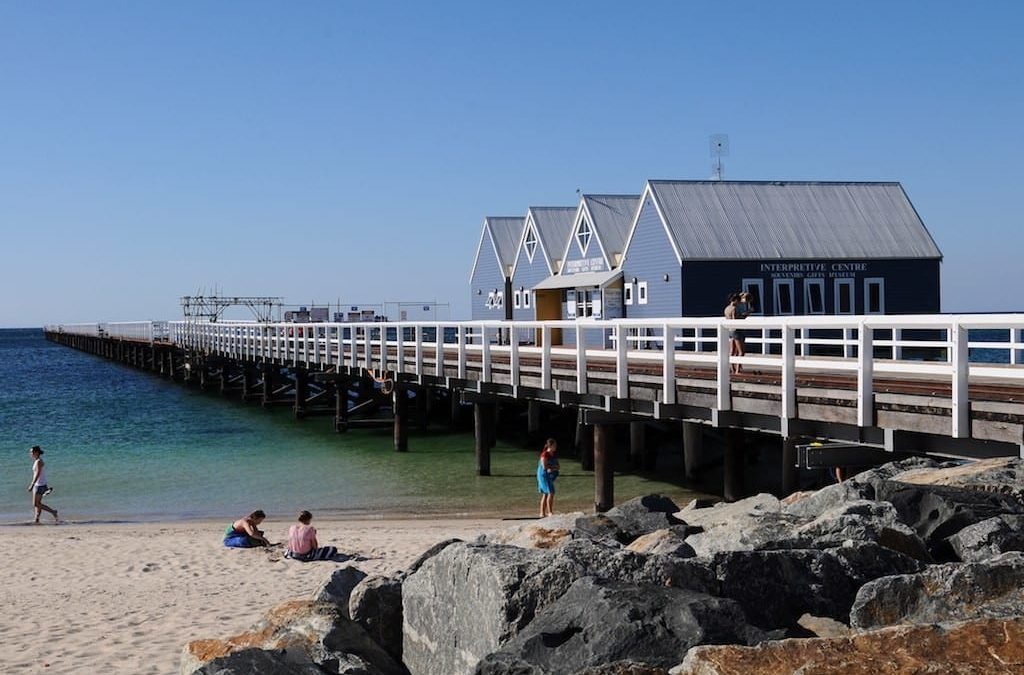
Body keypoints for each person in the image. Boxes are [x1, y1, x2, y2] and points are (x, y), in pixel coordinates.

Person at [28, 446, 58, 524]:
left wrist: (32, 484)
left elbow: (38, 474)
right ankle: (37, 519)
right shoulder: (37, 461)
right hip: (40, 484)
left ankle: (53, 512)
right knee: (38, 504)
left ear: (36, 452)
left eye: (32, 452)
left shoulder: (39, 461)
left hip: (39, 485)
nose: (30, 454)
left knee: (36, 504)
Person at [537, 438, 560, 518]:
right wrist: (553, 468)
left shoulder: (553, 454)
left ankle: (542, 513)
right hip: (544, 475)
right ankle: (550, 512)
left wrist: (553, 468)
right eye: (554, 445)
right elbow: (544, 467)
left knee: (546, 493)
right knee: (551, 492)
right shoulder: (545, 454)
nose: (556, 447)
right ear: (550, 446)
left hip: (550, 475)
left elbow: (558, 466)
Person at [723, 294, 745, 374]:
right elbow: (735, 320)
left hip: (730, 331)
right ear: (735, 300)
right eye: (738, 301)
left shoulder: (726, 309)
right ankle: (737, 370)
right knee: (741, 351)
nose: (739, 302)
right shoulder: (734, 309)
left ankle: (732, 368)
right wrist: (745, 315)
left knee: (732, 351)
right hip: (737, 331)